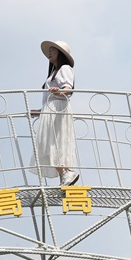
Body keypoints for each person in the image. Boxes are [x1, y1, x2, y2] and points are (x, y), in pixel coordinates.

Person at [29, 40, 80, 186]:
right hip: (51, 109)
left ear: (61, 53)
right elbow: (50, 98)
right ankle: (64, 177)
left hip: (57, 107)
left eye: (53, 50)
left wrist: (59, 92)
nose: (50, 53)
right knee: (53, 142)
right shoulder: (53, 72)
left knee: (50, 143)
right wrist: (39, 112)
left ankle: (66, 173)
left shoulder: (65, 68)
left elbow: (68, 89)